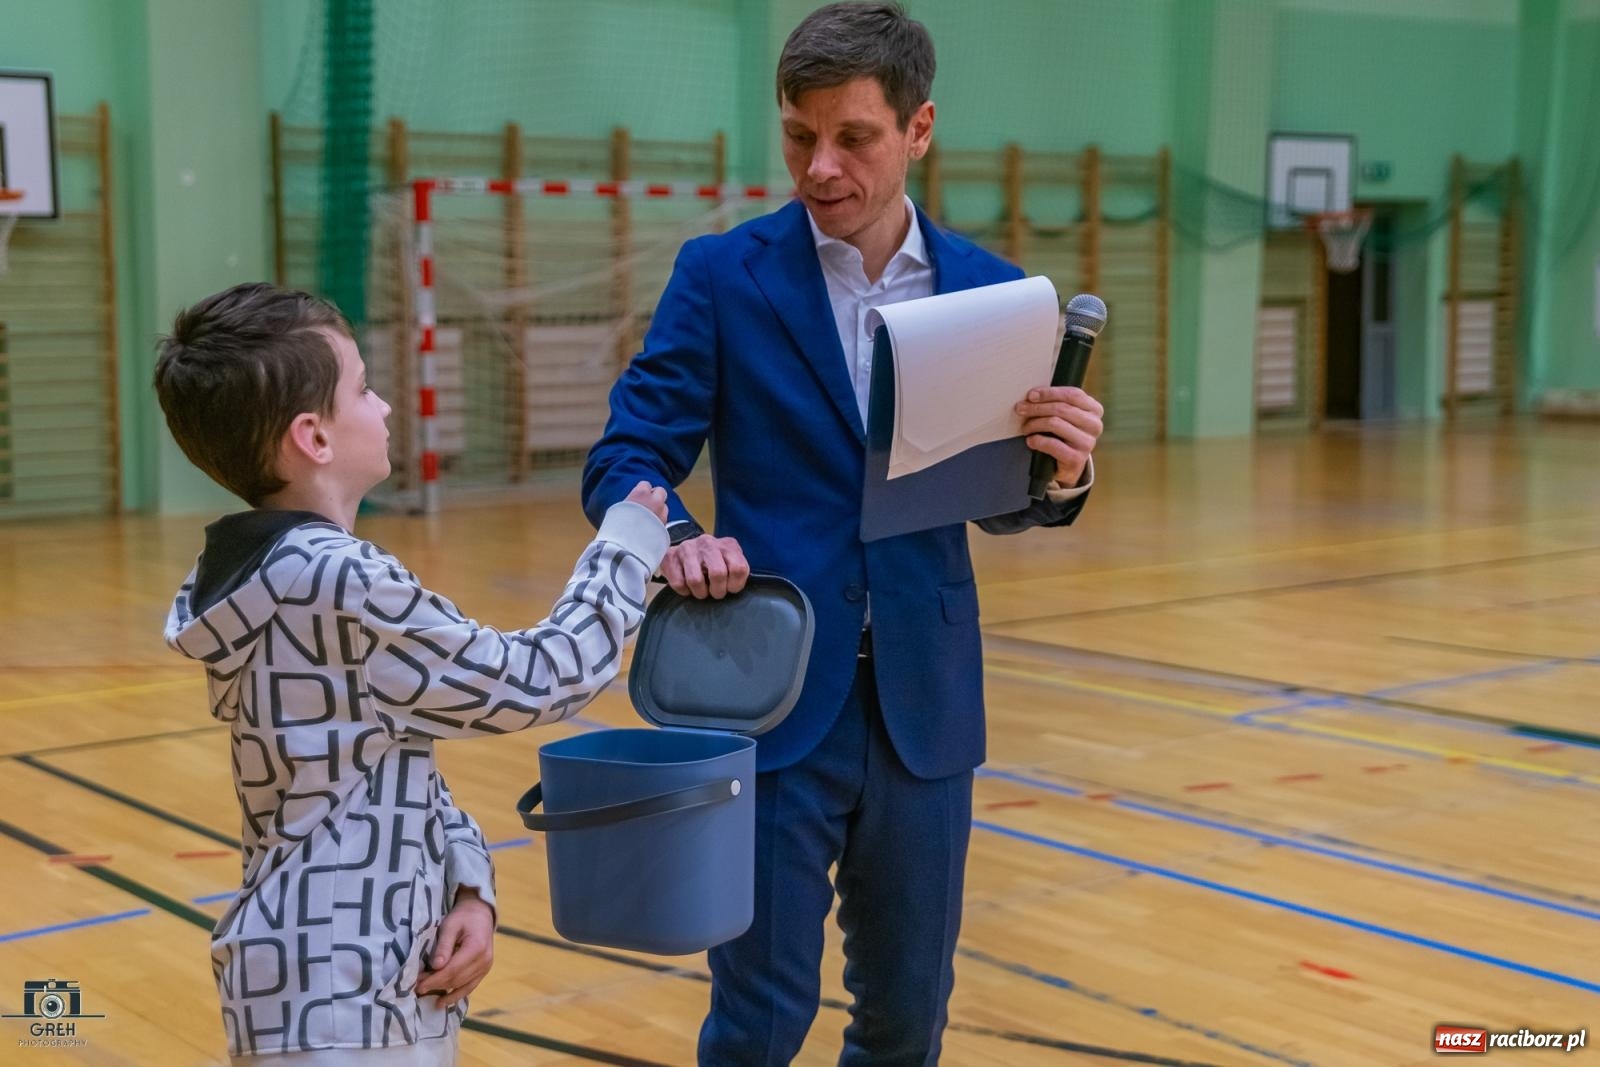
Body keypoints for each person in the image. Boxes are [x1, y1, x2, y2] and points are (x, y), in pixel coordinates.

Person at [581, 3, 1104, 1062]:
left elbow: (1000, 499)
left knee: (907, 1018)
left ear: (919, 129)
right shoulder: (721, 276)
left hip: (925, 710)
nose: (820, 167)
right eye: (798, 135)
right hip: (767, 695)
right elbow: (626, 452)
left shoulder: (996, 295)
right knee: (757, 1022)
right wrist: (675, 530)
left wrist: (1064, 470)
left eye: (853, 137)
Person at [155, 282, 670, 1065]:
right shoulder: (336, 578)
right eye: (363, 389)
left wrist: (467, 881)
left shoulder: (267, 571)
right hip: (343, 999)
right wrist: (626, 549)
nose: (386, 405)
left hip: (332, 979)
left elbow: (383, 763)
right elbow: (536, 679)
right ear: (313, 437)